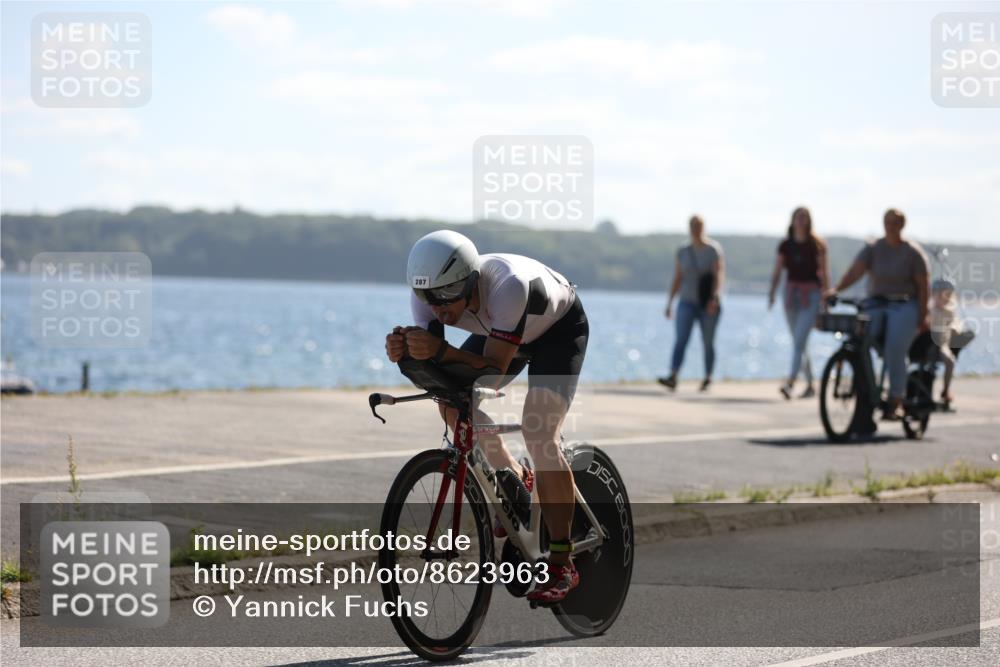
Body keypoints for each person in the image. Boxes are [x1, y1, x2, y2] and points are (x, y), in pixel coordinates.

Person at [385, 230, 588, 604]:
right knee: (449, 402)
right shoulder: (429, 298)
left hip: (556, 331)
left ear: (470, 280)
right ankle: (516, 479)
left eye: (447, 297)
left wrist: (441, 349)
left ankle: (563, 562)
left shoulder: (507, 287)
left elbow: (493, 368)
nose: (439, 309)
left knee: (539, 431)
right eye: (429, 299)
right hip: (503, 331)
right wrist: (405, 353)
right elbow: (439, 371)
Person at [826, 209, 930, 421]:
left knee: (894, 348)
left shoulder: (912, 253)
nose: (890, 226)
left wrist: (923, 314)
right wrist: (836, 289)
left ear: (902, 225)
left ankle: (896, 399)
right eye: (887, 222)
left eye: (894, 223)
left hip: (904, 304)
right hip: (876, 302)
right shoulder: (874, 249)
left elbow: (923, 286)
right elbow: (855, 272)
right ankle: (866, 391)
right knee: (860, 338)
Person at [768, 207, 829, 399]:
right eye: (798, 218)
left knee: (799, 340)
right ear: (793, 221)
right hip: (790, 295)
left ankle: (791, 381)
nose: (801, 221)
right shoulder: (786, 245)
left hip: (811, 295)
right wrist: (772, 292)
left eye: (804, 218)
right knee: (799, 342)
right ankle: (811, 383)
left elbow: (825, 274)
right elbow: (778, 270)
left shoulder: (817, 245)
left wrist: (826, 298)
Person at [659, 215, 725, 392]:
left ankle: (708, 377)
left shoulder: (713, 250)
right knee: (681, 339)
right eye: (693, 226)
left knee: (708, 342)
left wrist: (715, 298)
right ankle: (673, 375)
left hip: (707, 304)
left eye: (699, 226)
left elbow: (719, 276)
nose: (696, 229)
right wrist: (669, 303)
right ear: (689, 228)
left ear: (704, 227)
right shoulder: (683, 251)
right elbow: (678, 277)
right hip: (687, 301)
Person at [930, 279, 959, 405]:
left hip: (942, 345)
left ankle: (946, 390)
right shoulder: (930, 311)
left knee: (950, 361)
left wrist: (954, 328)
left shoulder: (949, 313)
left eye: (948, 295)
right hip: (929, 344)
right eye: (941, 294)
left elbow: (956, 326)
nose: (944, 298)